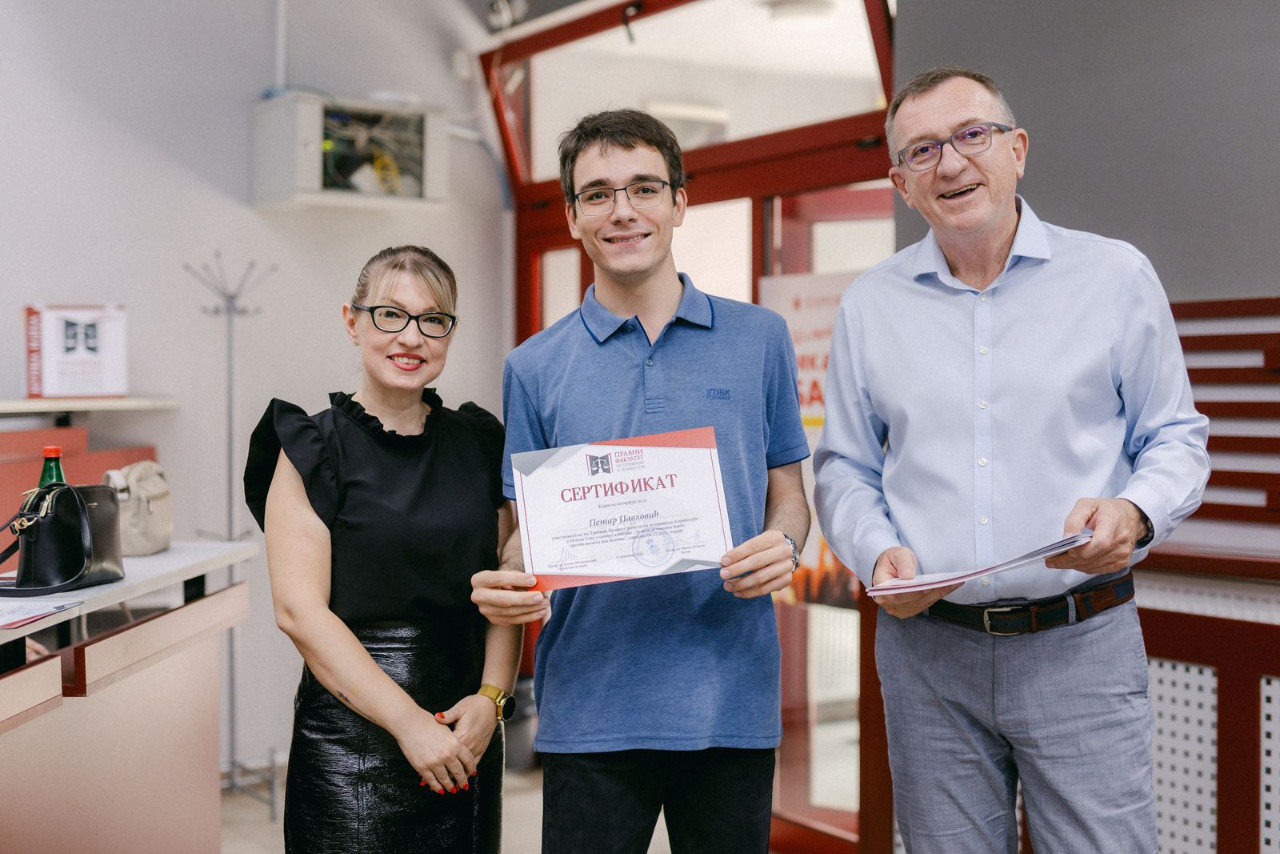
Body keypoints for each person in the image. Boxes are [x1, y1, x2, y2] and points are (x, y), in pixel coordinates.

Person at [813, 66, 1210, 853]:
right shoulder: (871, 305)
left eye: (972, 135)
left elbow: (1176, 435)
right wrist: (875, 550)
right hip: (929, 655)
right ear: (900, 183)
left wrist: (1134, 511)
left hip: (1081, 643)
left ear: (1017, 149)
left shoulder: (1113, 276)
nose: (951, 163)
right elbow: (844, 468)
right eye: (922, 150)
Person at [470, 109, 811, 854]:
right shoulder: (533, 366)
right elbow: (525, 528)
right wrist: (509, 576)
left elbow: (788, 491)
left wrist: (785, 543)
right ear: (572, 217)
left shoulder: (760, 339)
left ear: (679, 202)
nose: (622, 210)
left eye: (644, 188)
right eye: (597, 194)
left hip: (730, 700)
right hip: (590, 705)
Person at [243, 245, 521, 853]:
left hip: (467, 727)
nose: (411, 337)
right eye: (390, 314)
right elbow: (299, 613)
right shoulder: (312, 448)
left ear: (450, 332)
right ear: (352, 321)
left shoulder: (479, 441)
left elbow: (508, 583)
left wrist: (492, 698)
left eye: (433, 320)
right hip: (352, 739)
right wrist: (408, 723)